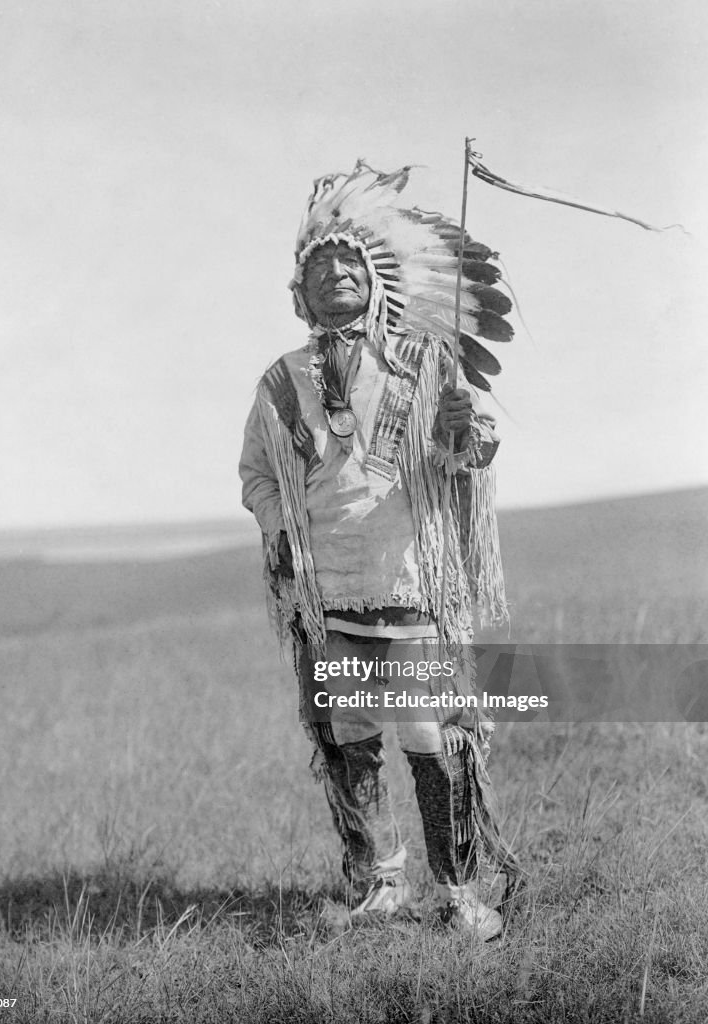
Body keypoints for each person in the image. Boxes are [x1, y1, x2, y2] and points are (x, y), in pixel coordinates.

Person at [239, 161, 519, 939]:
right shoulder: (279, 381)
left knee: (432, 736)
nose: (334, 278)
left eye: (346, 265)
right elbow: (256, 476)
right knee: (348, 737)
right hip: (328, 593)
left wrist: (467, 433)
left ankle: (459, 891)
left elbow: (468, 458)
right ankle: (378, 885)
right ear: (301, 294)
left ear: (374, 280)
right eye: (319, 269)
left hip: (410, 584)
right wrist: (281, 532)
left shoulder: (426, 361)